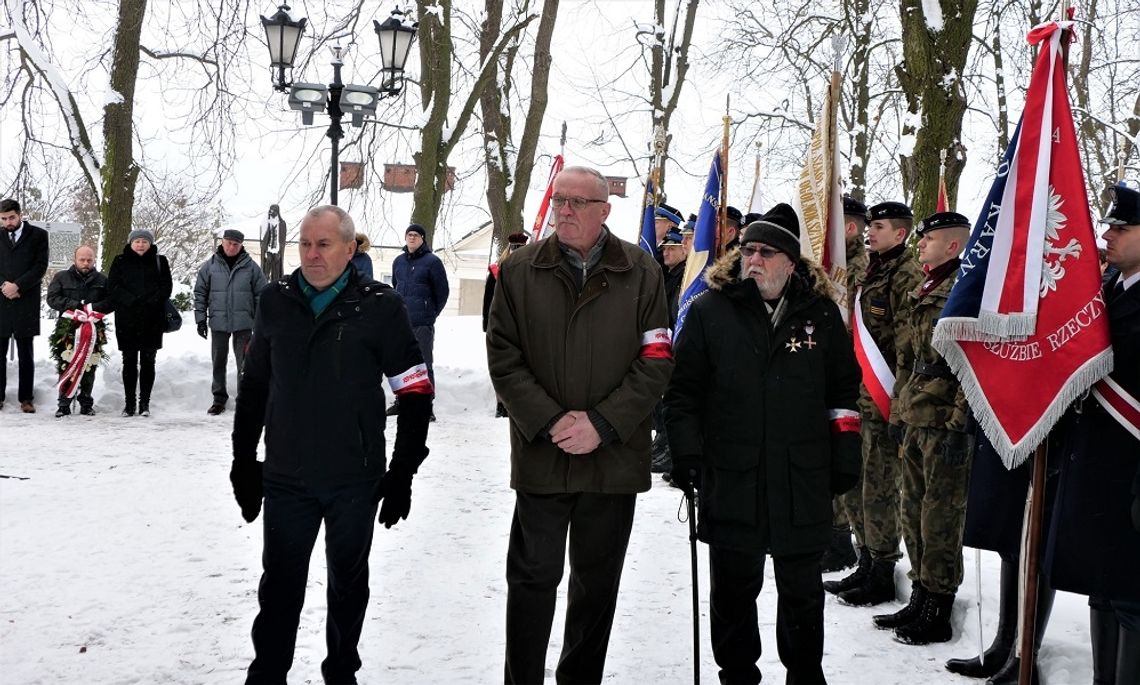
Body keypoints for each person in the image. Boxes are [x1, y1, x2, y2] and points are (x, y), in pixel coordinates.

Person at [231, 205, 433, 685]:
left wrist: (403, 472)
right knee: (279, 586)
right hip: (286, 475)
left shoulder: (381, 307)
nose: (312, 254)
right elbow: (255, 385)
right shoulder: (275, 301)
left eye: (324, 244)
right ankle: (267, 675)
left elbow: (416, 392)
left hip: (353, 478)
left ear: (349, 248)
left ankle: (341, 672)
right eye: (305, 244)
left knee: (347, 585)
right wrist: (244, 461)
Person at [486, 165, 673, 684]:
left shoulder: (641, 270)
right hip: (543, 457)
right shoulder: (520, 269)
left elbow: (657, 357)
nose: (563, 210)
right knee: (531, 581)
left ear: (604, 211)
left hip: (612, 461)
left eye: (577, 203)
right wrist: (549, 420)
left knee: (596, 587)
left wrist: (603, 424)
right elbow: (503, 355)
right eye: (559, 200)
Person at [664, 203, 862, 684]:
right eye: (748, 248)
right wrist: (686, 453)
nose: (754, 258)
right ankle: (736, 674)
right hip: (733, 473)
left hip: (802, 476)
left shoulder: (821, 314)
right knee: (732, 589)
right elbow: (683, 391)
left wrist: (845, 452)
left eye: (766, 252)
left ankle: (804, 675)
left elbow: (842, 393)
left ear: (791, 261)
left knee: (801, 592)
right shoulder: (711, 309)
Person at [1044, 182, 1140, 685]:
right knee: (1102, 589)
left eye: (1122, 228)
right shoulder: (1104, 291)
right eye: (1109, 226)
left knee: (1132, 599)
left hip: (1132, 473)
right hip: (1096, 466)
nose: (1108, 236)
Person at [877, 212, 974, 644]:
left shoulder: (965, 290)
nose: (920, 244)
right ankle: (920, 595)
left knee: (940, 518)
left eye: (929, 238)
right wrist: (898, 414)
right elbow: (905, 357)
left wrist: (958, 424)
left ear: (952, 245)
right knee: (911, 510)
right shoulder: (924, 286)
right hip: (915, 413)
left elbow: (972, 364)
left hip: (943, 419)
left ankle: (939, 605)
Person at [827, 200, 922, 607]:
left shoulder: (907, 274)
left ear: (900, 234)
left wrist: (898, 404)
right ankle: (865, 559)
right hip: (860, 393)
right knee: (857, 484)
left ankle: (882, 567)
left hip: (885, 396)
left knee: (881, 487)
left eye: (879, 227)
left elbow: (906, 346)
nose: (871, 232)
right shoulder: (870, 270)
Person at [822, 195, 871, 572]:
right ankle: (834, 536)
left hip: (856, 378)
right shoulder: (829, 263)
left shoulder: (859, 269)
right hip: (829, 371)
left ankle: (845, 542)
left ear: (848, 228)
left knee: (849, 464)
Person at [193, 229, 267, 415]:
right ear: (222, 242)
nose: (231, 247)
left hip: (244, 323)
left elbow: (261, 295)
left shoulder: (251, 267)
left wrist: (260, 321)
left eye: (236, 244)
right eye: (228, 243)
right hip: (218, 322)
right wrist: (200, 320)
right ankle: (219, 399)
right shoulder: (209, 266)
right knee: (218, 361)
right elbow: (200, 294)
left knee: (245, 363)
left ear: (241, 245)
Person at [105, 229, 173, 417]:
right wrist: (131, 300)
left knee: (148, 362)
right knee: (129, 361)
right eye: (137, 241)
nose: (141, 244)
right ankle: (129, 404)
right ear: (130, 243)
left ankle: (145, 403)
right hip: (127, 318)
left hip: (152, 318)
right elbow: (113, 287)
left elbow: (166, 287)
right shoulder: (120, 261)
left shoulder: (161, 261)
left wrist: (151, 300)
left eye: (144, 241)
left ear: (150, 243)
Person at [387, 223, 449, 420]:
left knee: (423, 364)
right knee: (401, 363)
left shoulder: (433, 262)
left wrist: (430, 313)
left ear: (423, 239)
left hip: (422, 322)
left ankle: (426, 406)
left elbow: (442, 292)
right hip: (401, 322)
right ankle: (401, 401)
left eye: (416, 235)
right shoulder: (398, 262)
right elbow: (396, 288)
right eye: (409, 235)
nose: (412, 238)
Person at [47, 245, 110, 416]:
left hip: (93, 328)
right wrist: (74, 306)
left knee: (89, 365)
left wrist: (92, 308)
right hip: (67, 328)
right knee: (66, 364)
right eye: (82, 259)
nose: (85, 263)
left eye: (89, 260)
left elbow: (111, 301)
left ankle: (86, 402)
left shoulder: (102, 280)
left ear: (93, 260)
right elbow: (52, 299)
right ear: (74, 259)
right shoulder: (61, 277)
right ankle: (64, 403)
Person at [0, 198, 49, 413]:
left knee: (26, 353)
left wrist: (18, 286)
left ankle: (26, 398)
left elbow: (40, 266)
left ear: (20, 215)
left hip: (25, 299)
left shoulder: (38, 236)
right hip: (1, 299)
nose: (8, 222)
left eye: (12, 217)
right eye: (3, 219)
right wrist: (4, 286)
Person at [651, 228, 688, 475]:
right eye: (664, 248)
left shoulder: (684, 275)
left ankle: (670, 448)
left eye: (671, 248)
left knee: (671, 397)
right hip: (665, 339)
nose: (665, 252)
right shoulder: (668, 274)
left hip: (677, 339)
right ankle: (662, 442)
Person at [482, 231, 528, 419]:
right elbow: (488, 299)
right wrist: (486, 323)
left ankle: (517, 402)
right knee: (501, 365)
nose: (517, 251)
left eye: (520, 248)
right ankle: (501, 403)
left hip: (524, 323)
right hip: (500, 322)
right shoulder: (497, 270)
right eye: (515, 247)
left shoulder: (530, 268)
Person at [261, 204, 287, 282]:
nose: (271, 212)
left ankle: (275, 286)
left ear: (277, 211)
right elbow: (263, 237)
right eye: (271, 210)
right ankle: (264, 287)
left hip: (277, 250)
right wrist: (264, 249)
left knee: (276, 272)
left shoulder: (282, 223)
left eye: (273, 210)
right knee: (265, 271)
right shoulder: (266, 223)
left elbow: (283, 238)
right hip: (268, 250)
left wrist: (280, 250)